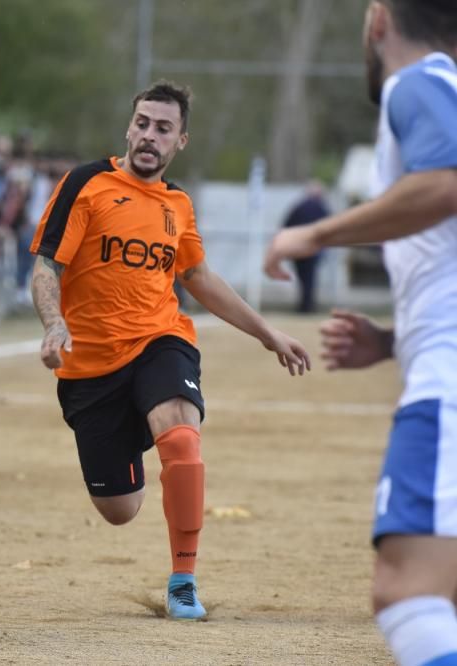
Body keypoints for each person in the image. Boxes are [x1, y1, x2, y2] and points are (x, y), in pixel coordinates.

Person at [30, 80, 310, 621]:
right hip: (89, 367)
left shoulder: (178, 204)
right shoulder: (87, 184)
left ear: (181, 140)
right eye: (142, 123)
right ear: (129, 126)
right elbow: (47, 265)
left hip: (162, 340)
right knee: (119, 510)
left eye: (162, 128)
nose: (148, 136)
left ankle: (183, 579)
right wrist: (53, 324)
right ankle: (134, 428)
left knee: (182, 434)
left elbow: (199, 277)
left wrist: (267, 333)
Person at [264, 1, 457, 662]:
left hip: (449, 385)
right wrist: (393, 340)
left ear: (379, 19)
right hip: (434, 354)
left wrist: (315, 233)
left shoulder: (419, 82)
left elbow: (445, 181)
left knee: (408, 593)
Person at [280, 181, 330, 313]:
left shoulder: (299, 207)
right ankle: (308, 305)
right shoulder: (321, 208)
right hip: (314, 249)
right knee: (310, 278)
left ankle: (304, 305)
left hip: (298, 249)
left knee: (303, 278)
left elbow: (286, 225)